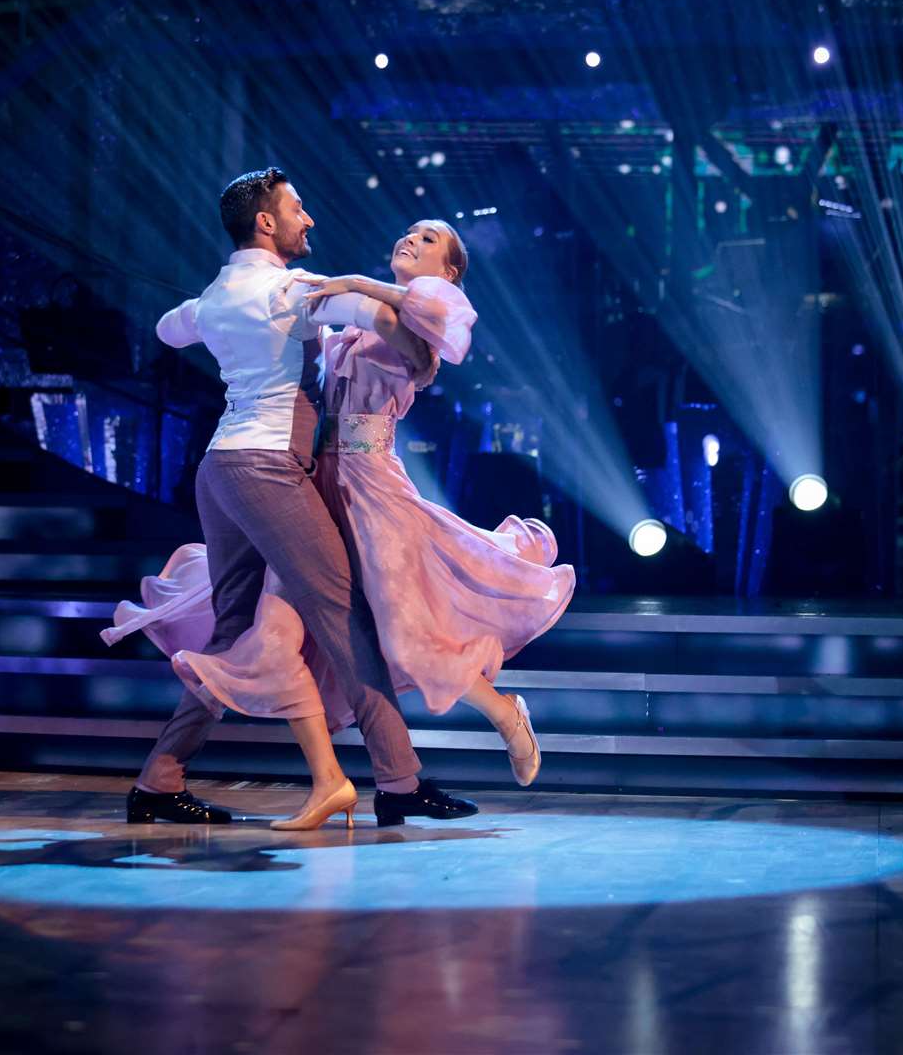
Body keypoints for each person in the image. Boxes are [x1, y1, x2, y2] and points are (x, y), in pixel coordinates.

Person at [104, 217, 574, 829]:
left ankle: (503, 715)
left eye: (429, 239)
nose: (411, 239)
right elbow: (185, 328)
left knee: (403, 635)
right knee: (262, 635)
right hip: (310, 487)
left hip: (374, 490)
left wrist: (358, 283)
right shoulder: (348, 320)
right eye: (408, 232)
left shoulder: (418, 321)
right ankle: (329, 781)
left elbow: (438, 330)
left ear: (451, 269)